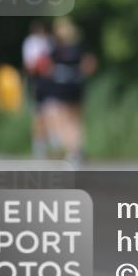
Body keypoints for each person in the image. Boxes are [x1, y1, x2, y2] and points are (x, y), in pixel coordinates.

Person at [44, 17, 97, 166]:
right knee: (76, 120)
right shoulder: (79, 47)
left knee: (64, 120)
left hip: (62, 86)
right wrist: (79, 73)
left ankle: (71, 151)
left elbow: (48, 67)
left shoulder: (57, 49)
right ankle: (77, 149)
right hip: (77, 85)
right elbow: (90, 64)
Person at [22, 20, 53, 158]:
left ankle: (51, 143)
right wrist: (39, 65)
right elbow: (29, 66)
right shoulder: (30, 43)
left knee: (52, 112)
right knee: (39, 113)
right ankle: (39, 144)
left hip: (51, 81)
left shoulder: (50, 42)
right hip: (38, 81)